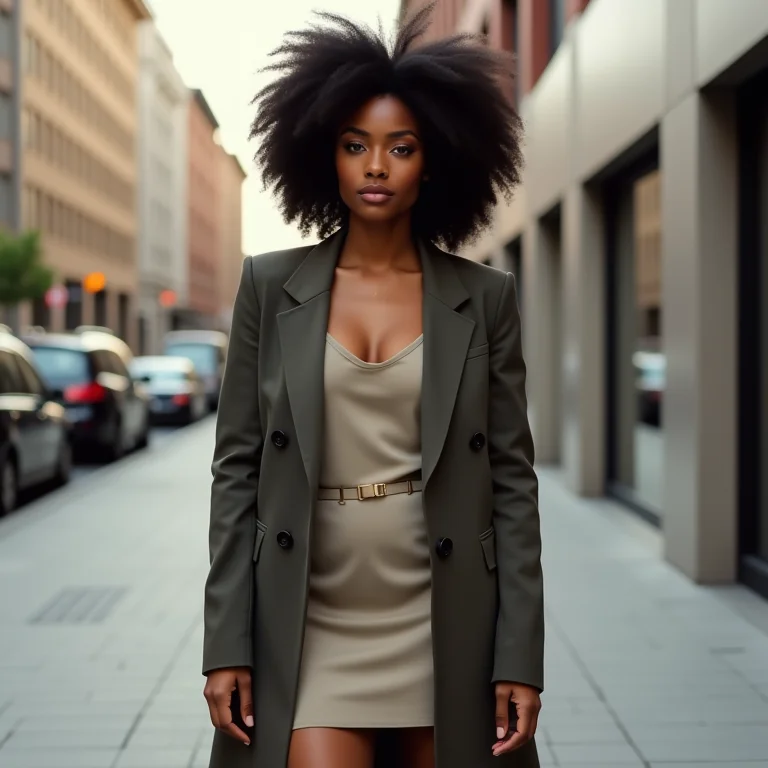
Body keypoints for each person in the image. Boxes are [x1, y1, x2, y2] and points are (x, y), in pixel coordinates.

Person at [202, 5, 544, 767]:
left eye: (401, 147)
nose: (377, 166)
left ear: (437, 160)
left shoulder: (484, 297)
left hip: (443, 615)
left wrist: (519, 653)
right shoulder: (270, 286)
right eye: (356, 146)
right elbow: (236, 472)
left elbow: (512, 483)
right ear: (326, 155)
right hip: (309, 613)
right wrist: (225, 640)